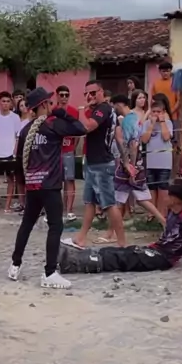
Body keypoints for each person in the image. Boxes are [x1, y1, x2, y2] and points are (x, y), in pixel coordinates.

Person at [8, 88, 86, 288]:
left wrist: (25, 183)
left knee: (27, 224)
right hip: (50, 185)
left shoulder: (25, 130)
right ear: (43, 105)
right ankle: (50, 272)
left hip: (33, 185)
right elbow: (80, 128)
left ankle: (15, 264)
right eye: (50, 103)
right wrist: (63, 113)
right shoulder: (53, 124)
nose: (52, 105)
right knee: (55, 226)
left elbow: (19, 160)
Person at [59, 183, 182, 274]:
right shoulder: (171, 212)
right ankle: (79, 256)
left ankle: (80, 264)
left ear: (175, 199)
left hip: (164, 257)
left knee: (126, 259)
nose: (164, 198)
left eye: (168, 195)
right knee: (119, 251)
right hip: (155, 249)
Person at [61, 79, 126, 249]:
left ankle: (122, 244)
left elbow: (88, 127)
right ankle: (81, 238)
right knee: (89, 202)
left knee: (109, 204)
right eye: (86, 94)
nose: (89, 96)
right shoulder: (104, 110)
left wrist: (82, 110)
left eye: (92, 93)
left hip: (102, 164)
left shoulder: (103, 109)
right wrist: (126, 161)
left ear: (101, 92)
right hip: (93, 161)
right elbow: (118, 137)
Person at [111, 95, 165, 225]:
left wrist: (131, 166)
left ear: (119, 105)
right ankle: (163, 221)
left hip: (130, 162)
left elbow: (133, 144)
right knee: (136, 198)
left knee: (119, 198)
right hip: (133, 162)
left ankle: (112, 231)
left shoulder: (128, 120)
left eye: (114, 106)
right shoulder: (133, 118)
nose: (113, 110)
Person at [140, 98, 173, 219]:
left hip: (164, 162)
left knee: (163, 188)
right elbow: (144, 140)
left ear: (163, 112)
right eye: (153, 111)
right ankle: (152, 214)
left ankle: (162, 214)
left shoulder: (168, 123)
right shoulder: (146, 124)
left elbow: (166, 137)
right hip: (151, 161)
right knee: (151, 188)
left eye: (158, 112)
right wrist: (152, 125)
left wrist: (162, 122)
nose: (156, 114)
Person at [56, 85, 79, 221]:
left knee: (69, 179)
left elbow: (77, 132)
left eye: (66, 95)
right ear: (57, 96)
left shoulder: (74, 111)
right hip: (55, 151)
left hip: (68, 149)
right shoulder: (53, 111)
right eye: (62, 95)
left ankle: (69, 210)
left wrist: (73, 147)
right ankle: (58, 208)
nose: (64, 97)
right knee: (56, 181)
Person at [14, 99, 30, 211]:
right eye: (21, 105)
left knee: (28, 179)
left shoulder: (31, 121)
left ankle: (29, 203)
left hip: (28, 150)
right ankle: (21, 203)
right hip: (17, 151)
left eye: (25, 105)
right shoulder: (17, 121)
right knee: (19, 179)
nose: (24, 107)